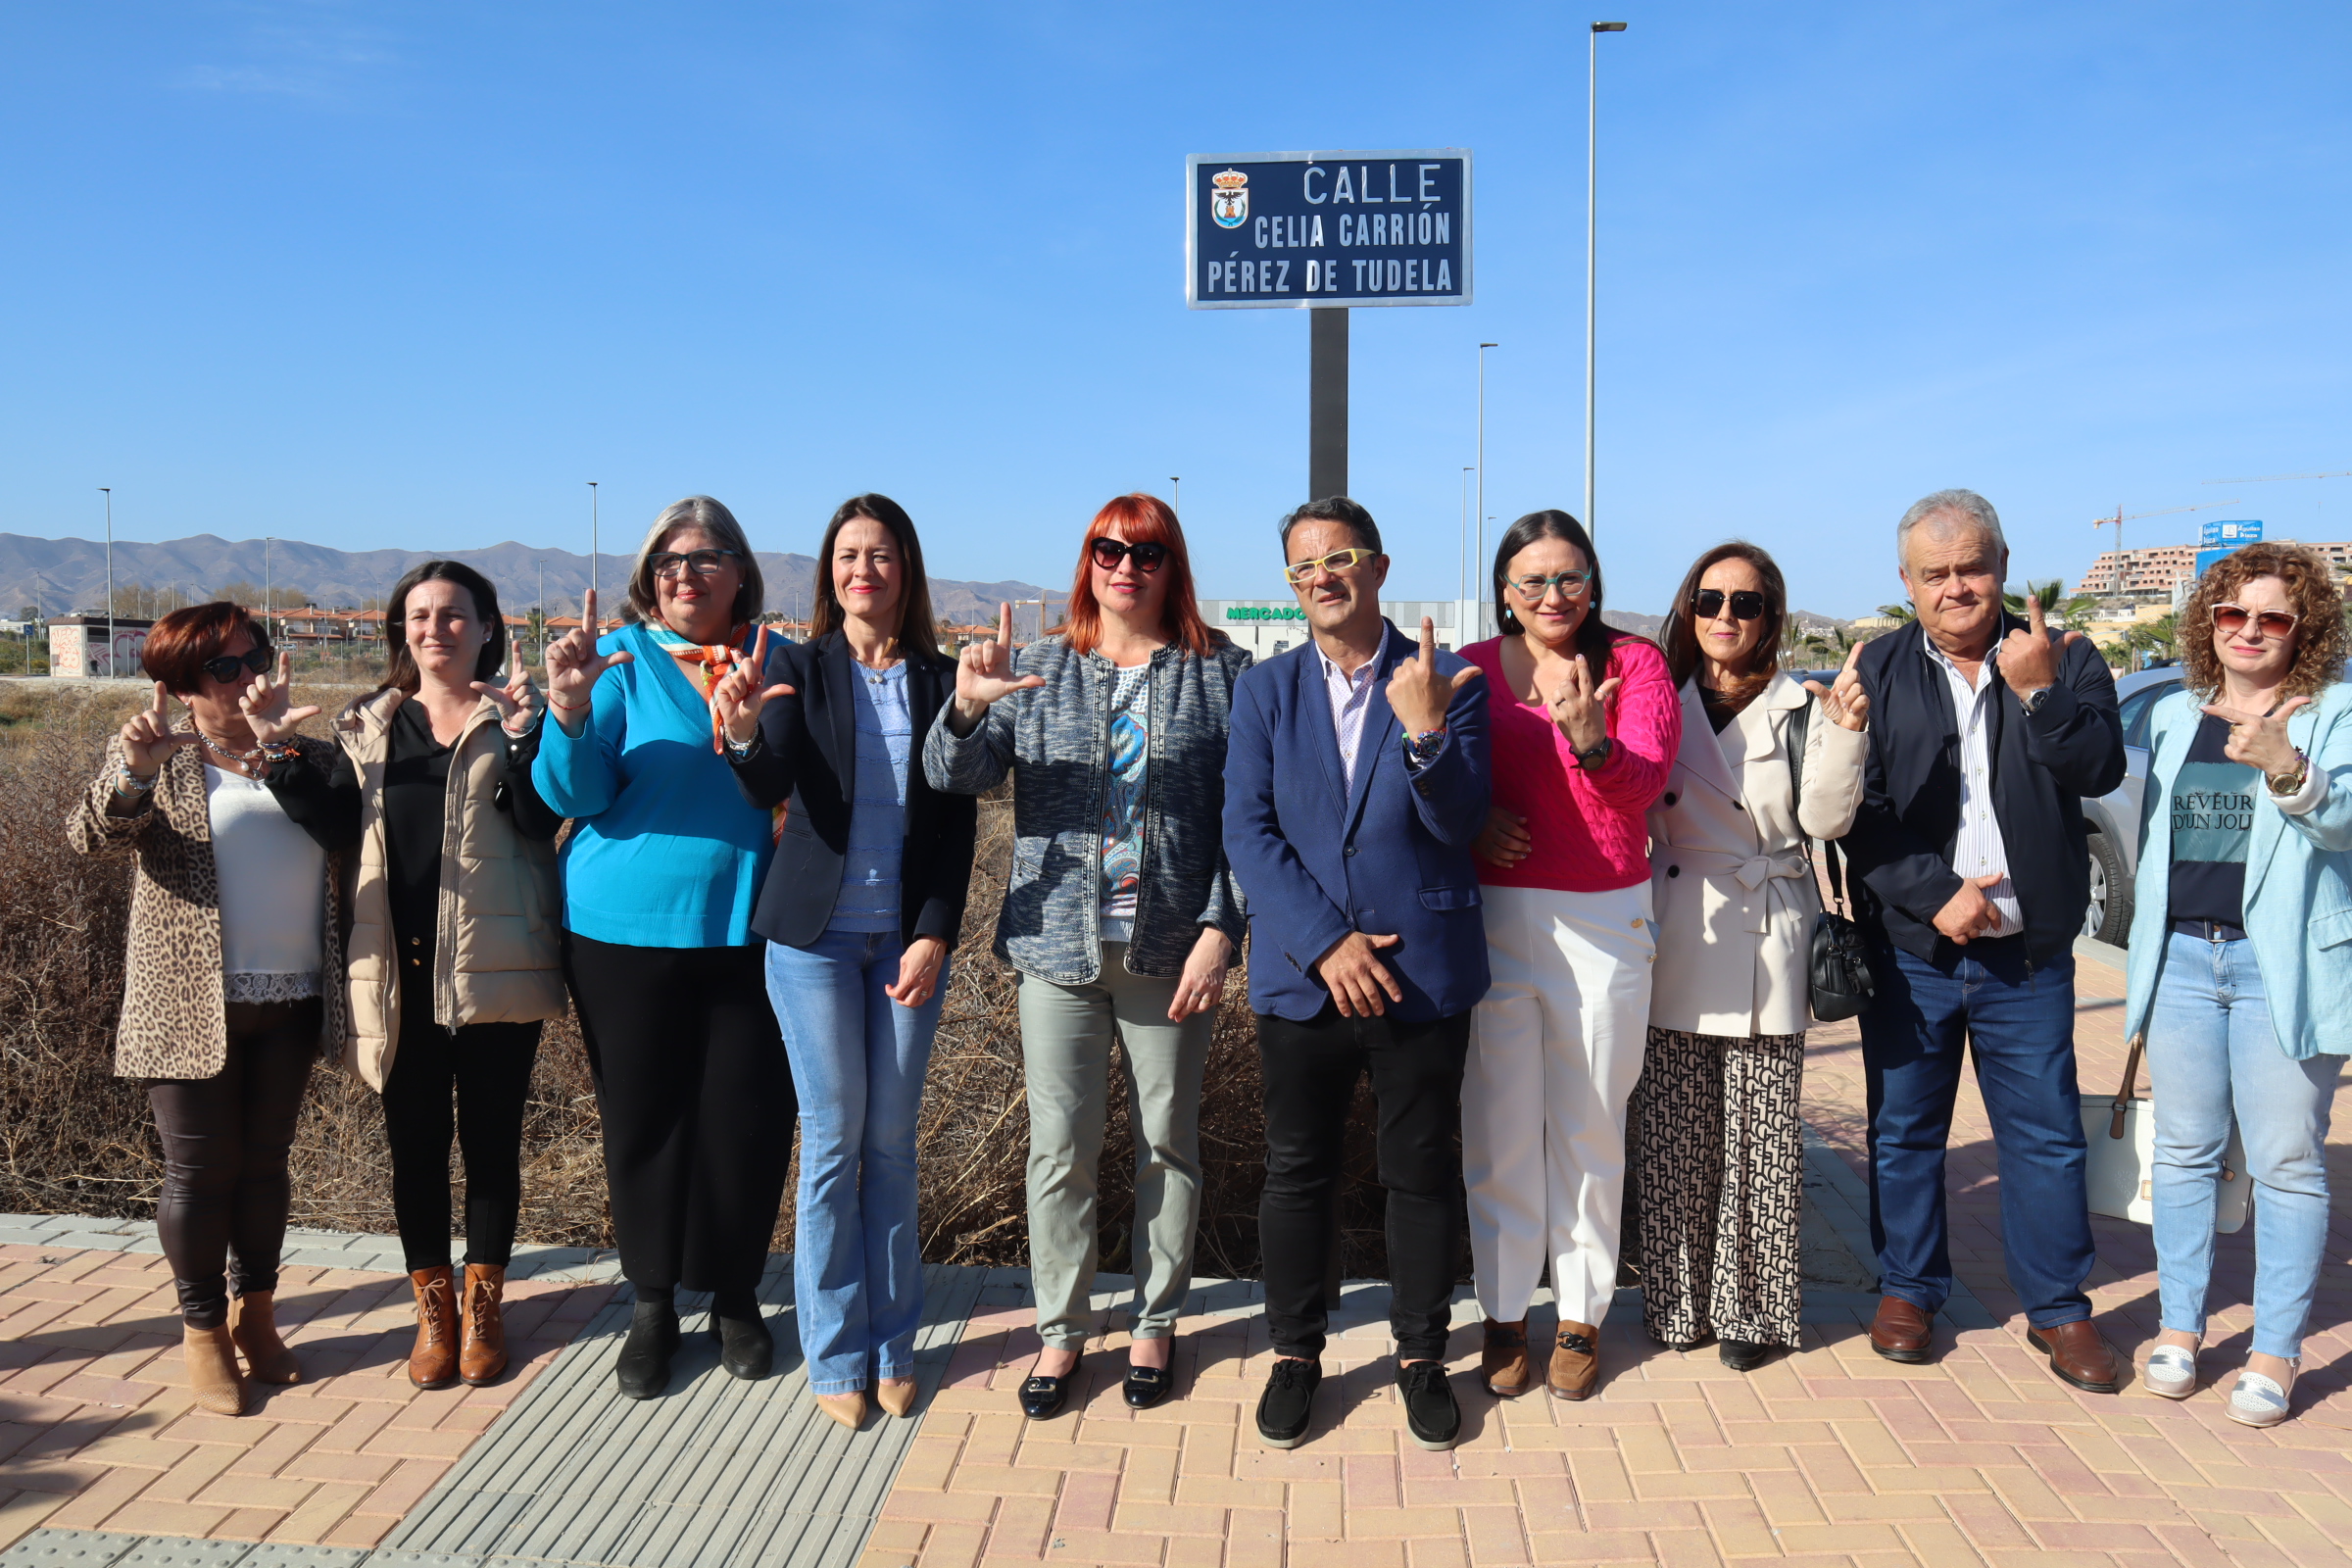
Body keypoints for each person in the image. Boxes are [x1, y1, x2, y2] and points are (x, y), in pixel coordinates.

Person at [925, 493, 1249, 1420]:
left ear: (1170, 566)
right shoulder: (1037, 668)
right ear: (1087, 562)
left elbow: (1245, 821)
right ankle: (1060, 1332)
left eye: (1146, 552)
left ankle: (1155, 1321)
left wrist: (1222, 929)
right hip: (1057, 952)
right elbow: (955, 778)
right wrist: (965, 706)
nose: (1125, 566)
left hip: (1169, 953)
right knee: (1059, 1147)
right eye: (1108, 549)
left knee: (1166, 1143)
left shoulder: (1219, 674)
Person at [1222, 495, 1490, 1453]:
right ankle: (1297, 1354)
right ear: (1291, 585)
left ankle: (1422, 1357)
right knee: (1299, 1172)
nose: (1323, 575)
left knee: (1419, 1172)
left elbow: (1463, 822)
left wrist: (1424, 735)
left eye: (1342, 557)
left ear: (1378, 568)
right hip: (1306, 975)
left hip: (1422, 972)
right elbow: (1247, 833)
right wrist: (1325, 941)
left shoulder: (1447, 679)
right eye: (1304, 565)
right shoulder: (1264, 692)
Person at [1843, 489, 2126, 1391]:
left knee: (2044, 1137)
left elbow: (2100, 767)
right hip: (1915, 950)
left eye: (1972, 566)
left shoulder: (2067, 658)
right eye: (1936, 573)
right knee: (1905, 1131)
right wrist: (1937, 897)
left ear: (2001, 566)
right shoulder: (1879, 670)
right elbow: (1857, 814)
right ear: (1907, 583)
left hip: (2027, 956)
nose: (1957, 586)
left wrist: (2038, 691)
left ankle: (2059, 1309)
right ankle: (1909, 1289)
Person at [260, 562, 564, 1390]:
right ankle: (435, 1315)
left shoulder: (517, 719)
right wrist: (278, 747)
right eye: (419, 616)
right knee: (417, 1149)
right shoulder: (369, 724)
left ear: (489, 627)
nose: (436, 629)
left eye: (455, 615)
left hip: (493, 966)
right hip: (397, 969)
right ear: (403, 631)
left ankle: (485, 1310)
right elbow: (335, 828)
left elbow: (542, 822)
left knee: (494, 1146)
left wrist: (539, 740)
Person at [716, 495, 976, 1432]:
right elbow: (768, 783)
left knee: (891, 1147)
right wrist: (742, 732)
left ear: (907, 569)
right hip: (813, 943)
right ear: (831, 572)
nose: (862, 570)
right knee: (832, 1145)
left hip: (903, 942)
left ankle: (894, 1340)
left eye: (880, 555)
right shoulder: (796, 665)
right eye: (847, 555)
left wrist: (936, 928)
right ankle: (835, 1347)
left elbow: (956, 820)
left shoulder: (945, 679)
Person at [534, 496, 798, 1399]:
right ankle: (651, 1300)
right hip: (619, 932)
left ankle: (733, 1294)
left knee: (745, 1118)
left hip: (744, 927)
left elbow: (789, 775)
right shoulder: (615, 662)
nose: (685, 575)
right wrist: (568, 715)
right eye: (670, 563)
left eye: (706, 558)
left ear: (739, 573)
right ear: (652, 578)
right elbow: (579, 793)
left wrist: (744, 727)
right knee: (643, 1120)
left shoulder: (773, 658)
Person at [68, 604, 349, 1415]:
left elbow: (341, 830)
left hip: (291, 992)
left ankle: (255, 1313)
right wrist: (136, 774)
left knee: (265, 1164)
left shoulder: (303, 748)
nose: (247, 675)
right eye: (224, 668)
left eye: (253, 655)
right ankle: (201, 1331)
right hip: (186, 998)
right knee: (198, 1171)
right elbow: (94, 836)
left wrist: (279, 746)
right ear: (182, 686)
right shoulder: (159, 756)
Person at [2122, 542, 2350, 1427]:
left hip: (2280, 963)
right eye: (2232, 614)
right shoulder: (2179, 716)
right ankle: (2180, 1329)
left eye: (2272, 618)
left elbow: (2346, 823)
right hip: (2182, 957)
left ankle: (2274, 1351)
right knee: (2183, 1152)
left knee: (2288, 1164)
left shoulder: (2333, 713)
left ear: (2303, 631)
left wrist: (2287, 767)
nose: (2249, 630)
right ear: (2208, 622)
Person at [1627, 543, 1868, 1372]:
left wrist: (1842, 731)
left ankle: (1755, 1312)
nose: (1726, 616)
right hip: (1675, 927)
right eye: (1710, 599)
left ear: (1772, 616)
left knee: (1760, 1140)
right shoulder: (1656, 701)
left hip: (1768, 931)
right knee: (1674, 1137)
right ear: (1688, 610)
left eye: (1747, 603)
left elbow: (1828, 822)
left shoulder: (1803, 707)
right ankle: (1677, 1300)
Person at [1454, 511, 1678, 1402]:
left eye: (1570, 578)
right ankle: (1505, 1313)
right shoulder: (1468, 670)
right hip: (1497, 917)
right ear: (1505, 592)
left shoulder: (1637, 666)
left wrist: (1588, 734)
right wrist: (1473, 824)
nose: (1553, 596)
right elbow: (1429, 781)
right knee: (1500, 1125)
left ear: (1595, 585)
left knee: (1589, 1123)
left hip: (1604, 921)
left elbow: (1646, 784)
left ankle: (1581, 1314)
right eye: (1532, 581)